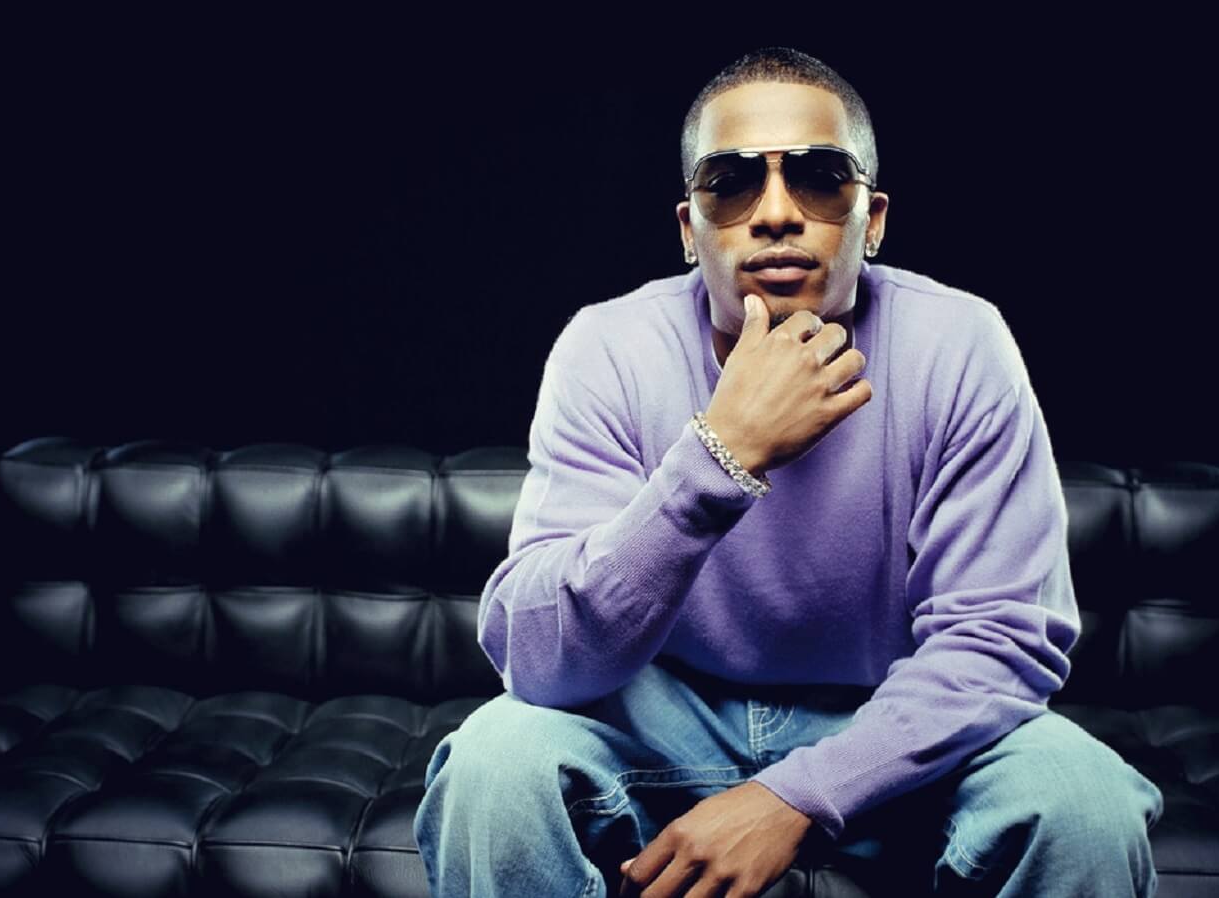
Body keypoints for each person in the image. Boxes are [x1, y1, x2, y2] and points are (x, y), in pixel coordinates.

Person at [414, 46, 1164, 897]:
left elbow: (999, 636)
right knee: (493, 767)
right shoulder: (609, 348)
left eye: (819, 178)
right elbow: (538, 658)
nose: (775, 213)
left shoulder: (961, 344)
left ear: (871, 220)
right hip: (664, 721)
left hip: (895, 719)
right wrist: (720, 456)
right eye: (731, 183)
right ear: (690, 228)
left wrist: (796, 794)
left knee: (1082, 801)